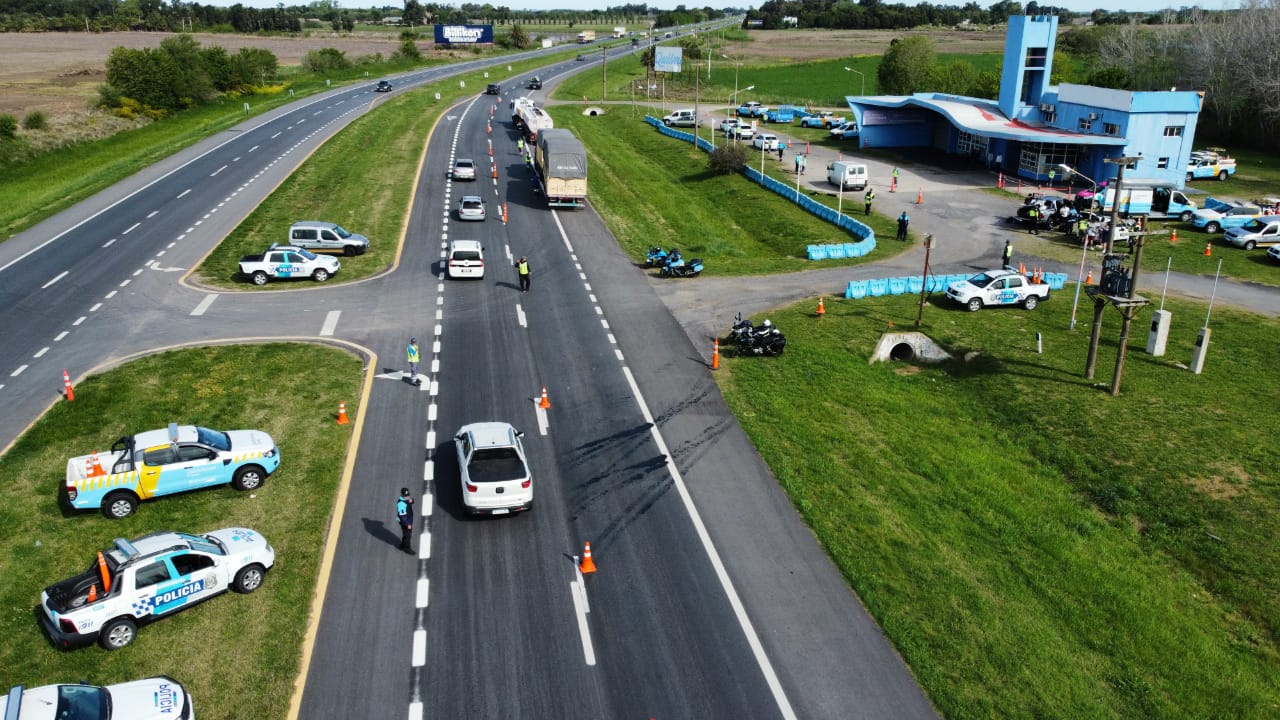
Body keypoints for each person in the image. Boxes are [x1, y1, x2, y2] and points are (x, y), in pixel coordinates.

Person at [396, 488, 415, 554]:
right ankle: (407, 548)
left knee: (406, 534)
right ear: (402, 495)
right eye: (405, 496)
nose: (407, 497)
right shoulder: (401, 504)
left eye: (407, 495)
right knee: (408, 534)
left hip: (409, 518)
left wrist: (411, 500)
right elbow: (402, 517)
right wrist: (408, 524)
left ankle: (402, 545)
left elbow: (411, 501)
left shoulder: (406, 498)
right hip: (405, 521)